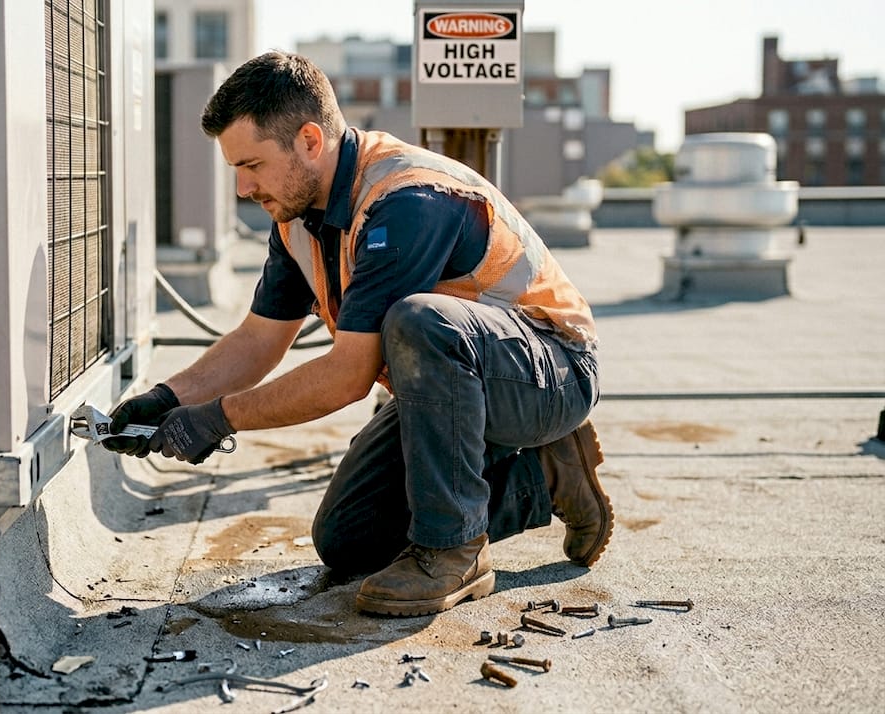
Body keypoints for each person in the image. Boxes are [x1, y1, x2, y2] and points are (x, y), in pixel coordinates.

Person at [103, 51, 611, 617]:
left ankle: (454, 550)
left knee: (420, 319)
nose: (244, 187)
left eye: (252, 165)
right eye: (235, 170)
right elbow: (257, 340)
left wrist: (218, 418)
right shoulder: (296, 214)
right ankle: (547, 475)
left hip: (551, 373)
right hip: (455, 386)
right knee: (349, 541)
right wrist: (167, 400)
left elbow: (348, 375)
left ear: (310, 141)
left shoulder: (407, 200)